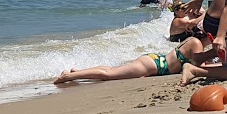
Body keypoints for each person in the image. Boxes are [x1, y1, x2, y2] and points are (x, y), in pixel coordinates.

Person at [54, 35, 218, 85]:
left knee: (111, 70)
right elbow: (200, 66)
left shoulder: (193, 40)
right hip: (153, 66)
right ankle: (68, 77)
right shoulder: (196, 44)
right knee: (108, 75)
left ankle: (77, 72)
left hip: (154, 61)